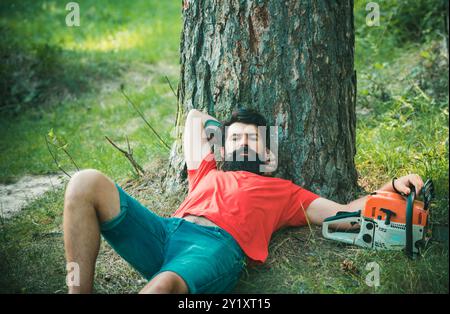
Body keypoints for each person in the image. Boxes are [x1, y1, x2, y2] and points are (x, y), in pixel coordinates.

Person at [63, 107, 425, 294]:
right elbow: (195, 118)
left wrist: (392, 186)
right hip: (167, 231)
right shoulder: (206, 173)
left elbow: (344, 213)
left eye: (252, 139)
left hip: (215, 249)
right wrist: (229, 134)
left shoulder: (284, 192)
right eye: (235, 140)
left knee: (163, 286)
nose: (242, 144)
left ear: (269, 153)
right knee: (85, 182)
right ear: (222, 147)